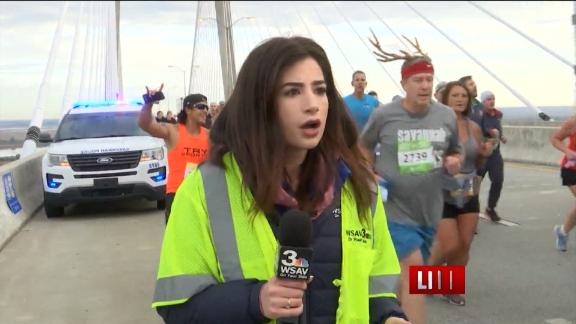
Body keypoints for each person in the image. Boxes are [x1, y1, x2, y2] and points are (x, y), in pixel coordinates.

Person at [152, 36, 409, 324]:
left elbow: (375, 288)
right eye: (292, 92)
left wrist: (389, 316)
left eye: (320, 90)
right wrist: (255, 301)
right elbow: (177, 308)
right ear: (259, 103)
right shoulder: (205, 190)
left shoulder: (359, 187)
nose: (312, 104)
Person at [362, 34, 461, 324]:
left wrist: (455, 160)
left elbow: (454, 149)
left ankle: (384, 312)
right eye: (417, 80)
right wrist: (370, 171)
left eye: (428, 80)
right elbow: (362, 146)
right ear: (404, 83)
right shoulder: (384, 115)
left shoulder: (446, 116)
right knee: (415, 270)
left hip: (429, 211)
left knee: (412, 279)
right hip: (394, 210)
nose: (425, 86)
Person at [428, 81, 496, 306]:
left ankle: (450, 288)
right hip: (441, 189)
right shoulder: (435, 125)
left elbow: (477, 160)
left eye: (464, 96)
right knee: (449, 243)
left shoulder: (474, 127)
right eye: (455, 95)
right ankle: (425, 279)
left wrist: (485, 153)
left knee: (465, 242)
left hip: (469, 188)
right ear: (445, 99)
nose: (460, 99)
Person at [138, 88, 210, 224]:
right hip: (177, 194)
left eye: (206, 107)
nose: (205, 110)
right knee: (178, 242)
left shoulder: (209, 136)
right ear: (188, 110)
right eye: (201, 107)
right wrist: (149, 103)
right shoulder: (173, 131)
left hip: (203, 196)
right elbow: (145, 124)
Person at [477, 90, 507, 222]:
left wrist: (501, 136)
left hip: (495, 153)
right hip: (481, 154)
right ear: (483, 102)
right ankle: (468, 210)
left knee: (498, 180)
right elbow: (477, 131)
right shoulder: (478, 115)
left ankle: (490, 208)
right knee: (474, 184)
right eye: (488, 99)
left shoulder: (496, 115)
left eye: (493, 99)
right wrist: (489, 134)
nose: (491, 101)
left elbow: (497, 130)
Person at [551, 116, 576, 251]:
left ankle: (562, 231)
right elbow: (555, 138)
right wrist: (567, 151)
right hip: (571, 169)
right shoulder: (573, 122)